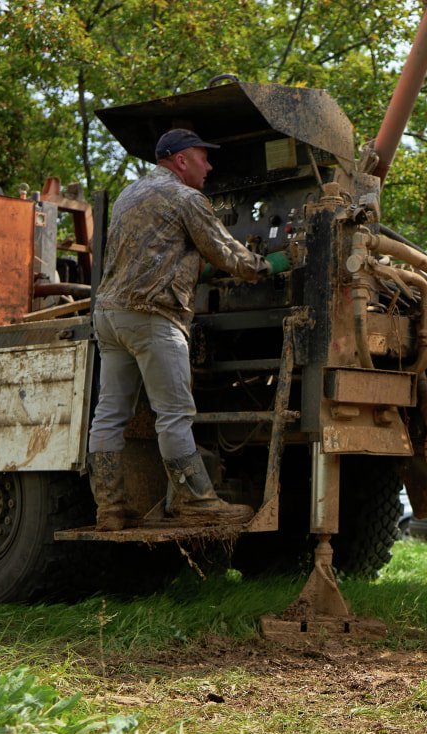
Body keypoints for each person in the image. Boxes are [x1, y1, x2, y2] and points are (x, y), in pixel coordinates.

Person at [86, 128, 285, 530]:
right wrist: (273, 265)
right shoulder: (186, 198)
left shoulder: (129, 194)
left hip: (109, 316)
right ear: (180, 160)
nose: (209, 166)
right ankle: (197, 501)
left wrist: (197, 269)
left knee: (108, 416)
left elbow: (157, 250)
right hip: (153, 317)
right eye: (202, 157)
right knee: (175, 415)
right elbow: (229, 253)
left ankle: (109, 508)